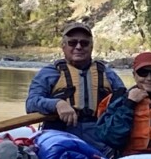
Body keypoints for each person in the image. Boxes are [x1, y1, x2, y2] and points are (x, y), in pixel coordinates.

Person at [25, 22, 125, 152]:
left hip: (100, 141)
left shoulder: (107, 74)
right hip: (60, 138)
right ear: (63, 46)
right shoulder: (49, 73)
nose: (78, 47)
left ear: (91, 47)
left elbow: (125, 102)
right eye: (72, 43)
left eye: (84, 43)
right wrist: (57, 104)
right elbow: (31, 104)